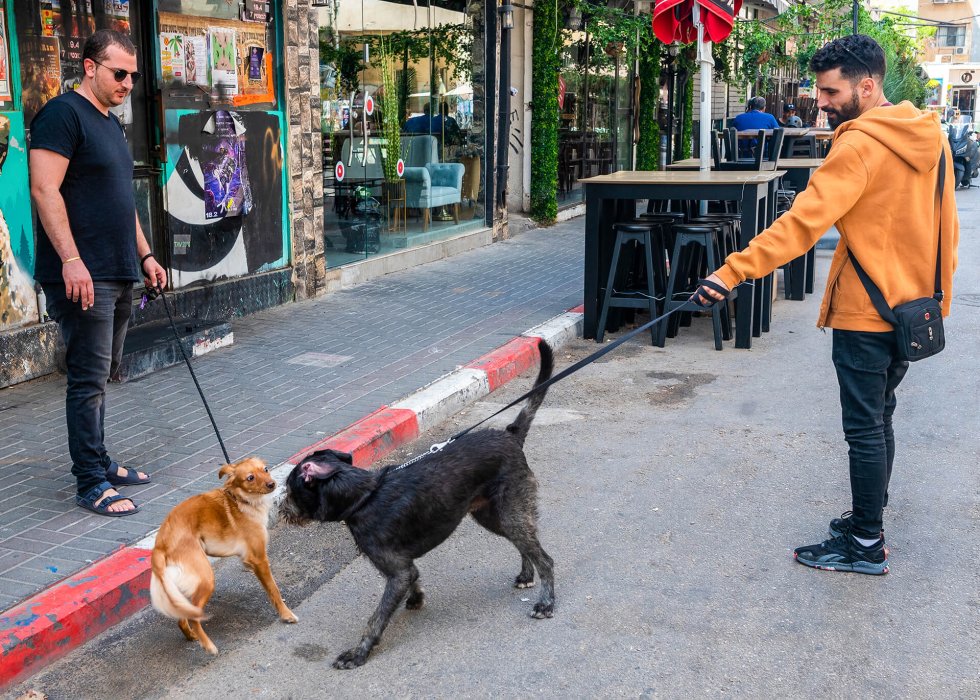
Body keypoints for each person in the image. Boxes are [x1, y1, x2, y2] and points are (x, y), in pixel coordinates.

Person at [695, 34, 959, 575]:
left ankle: (865, 544)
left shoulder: (859, 144)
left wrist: (731, 272)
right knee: (880, 420)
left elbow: (801, 225)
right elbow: (946, 231)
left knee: (864, 429)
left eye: (829, 91)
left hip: (866, 312)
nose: (821, 101)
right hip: (911, 310)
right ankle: (869, 518)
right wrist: (937, 299)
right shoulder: (928, 135)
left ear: (867, 85)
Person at [30, 30, 167, 517]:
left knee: (104, 373)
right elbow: (45, 189)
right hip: (83, 274)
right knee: (87, 379)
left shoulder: (110, 124)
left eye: (133, 74)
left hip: (118, 269)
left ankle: (101, 459)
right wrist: (70, 261)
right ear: (90, 67)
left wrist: (147, 256)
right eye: (119, 73)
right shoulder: (62, 115)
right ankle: (90, 482)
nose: (129, 82)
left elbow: (122, 201)